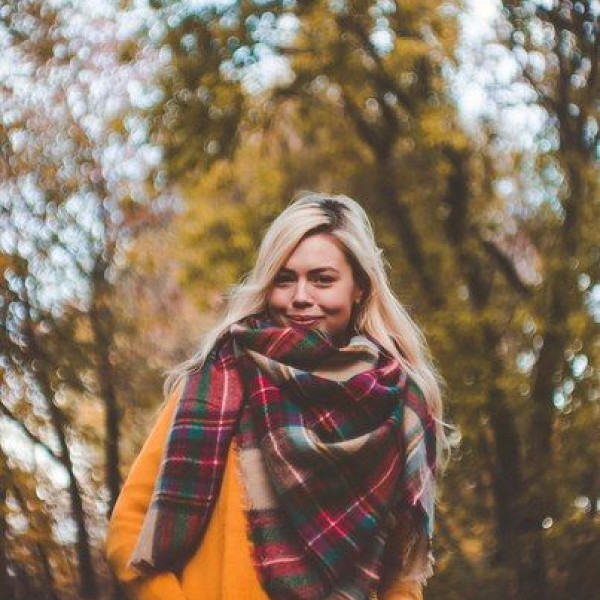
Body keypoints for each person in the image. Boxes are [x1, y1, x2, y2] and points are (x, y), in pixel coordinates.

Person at [106, 191, 453, 600]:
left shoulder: (398, 404)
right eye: (284, 279)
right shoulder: (215, 382)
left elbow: (401, 574)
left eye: (322, 279)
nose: (300, 296)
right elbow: (128, 530)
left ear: (359, 286)